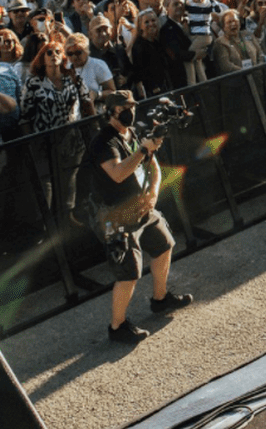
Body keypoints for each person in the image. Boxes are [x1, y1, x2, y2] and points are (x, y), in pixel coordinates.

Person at [88, 90, 190, 344]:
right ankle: (117, 326)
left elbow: (154, 167)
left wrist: (153, 195)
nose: (129, 112)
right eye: (123, 108)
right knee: (128, 272)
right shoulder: (104, 142)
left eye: (131, 106)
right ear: (111, 112)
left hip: (142, 207)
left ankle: (160, 298)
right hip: (116, 214)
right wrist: (143, 150)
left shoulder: (132, 134)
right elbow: (119, 173)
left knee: (164, 245)